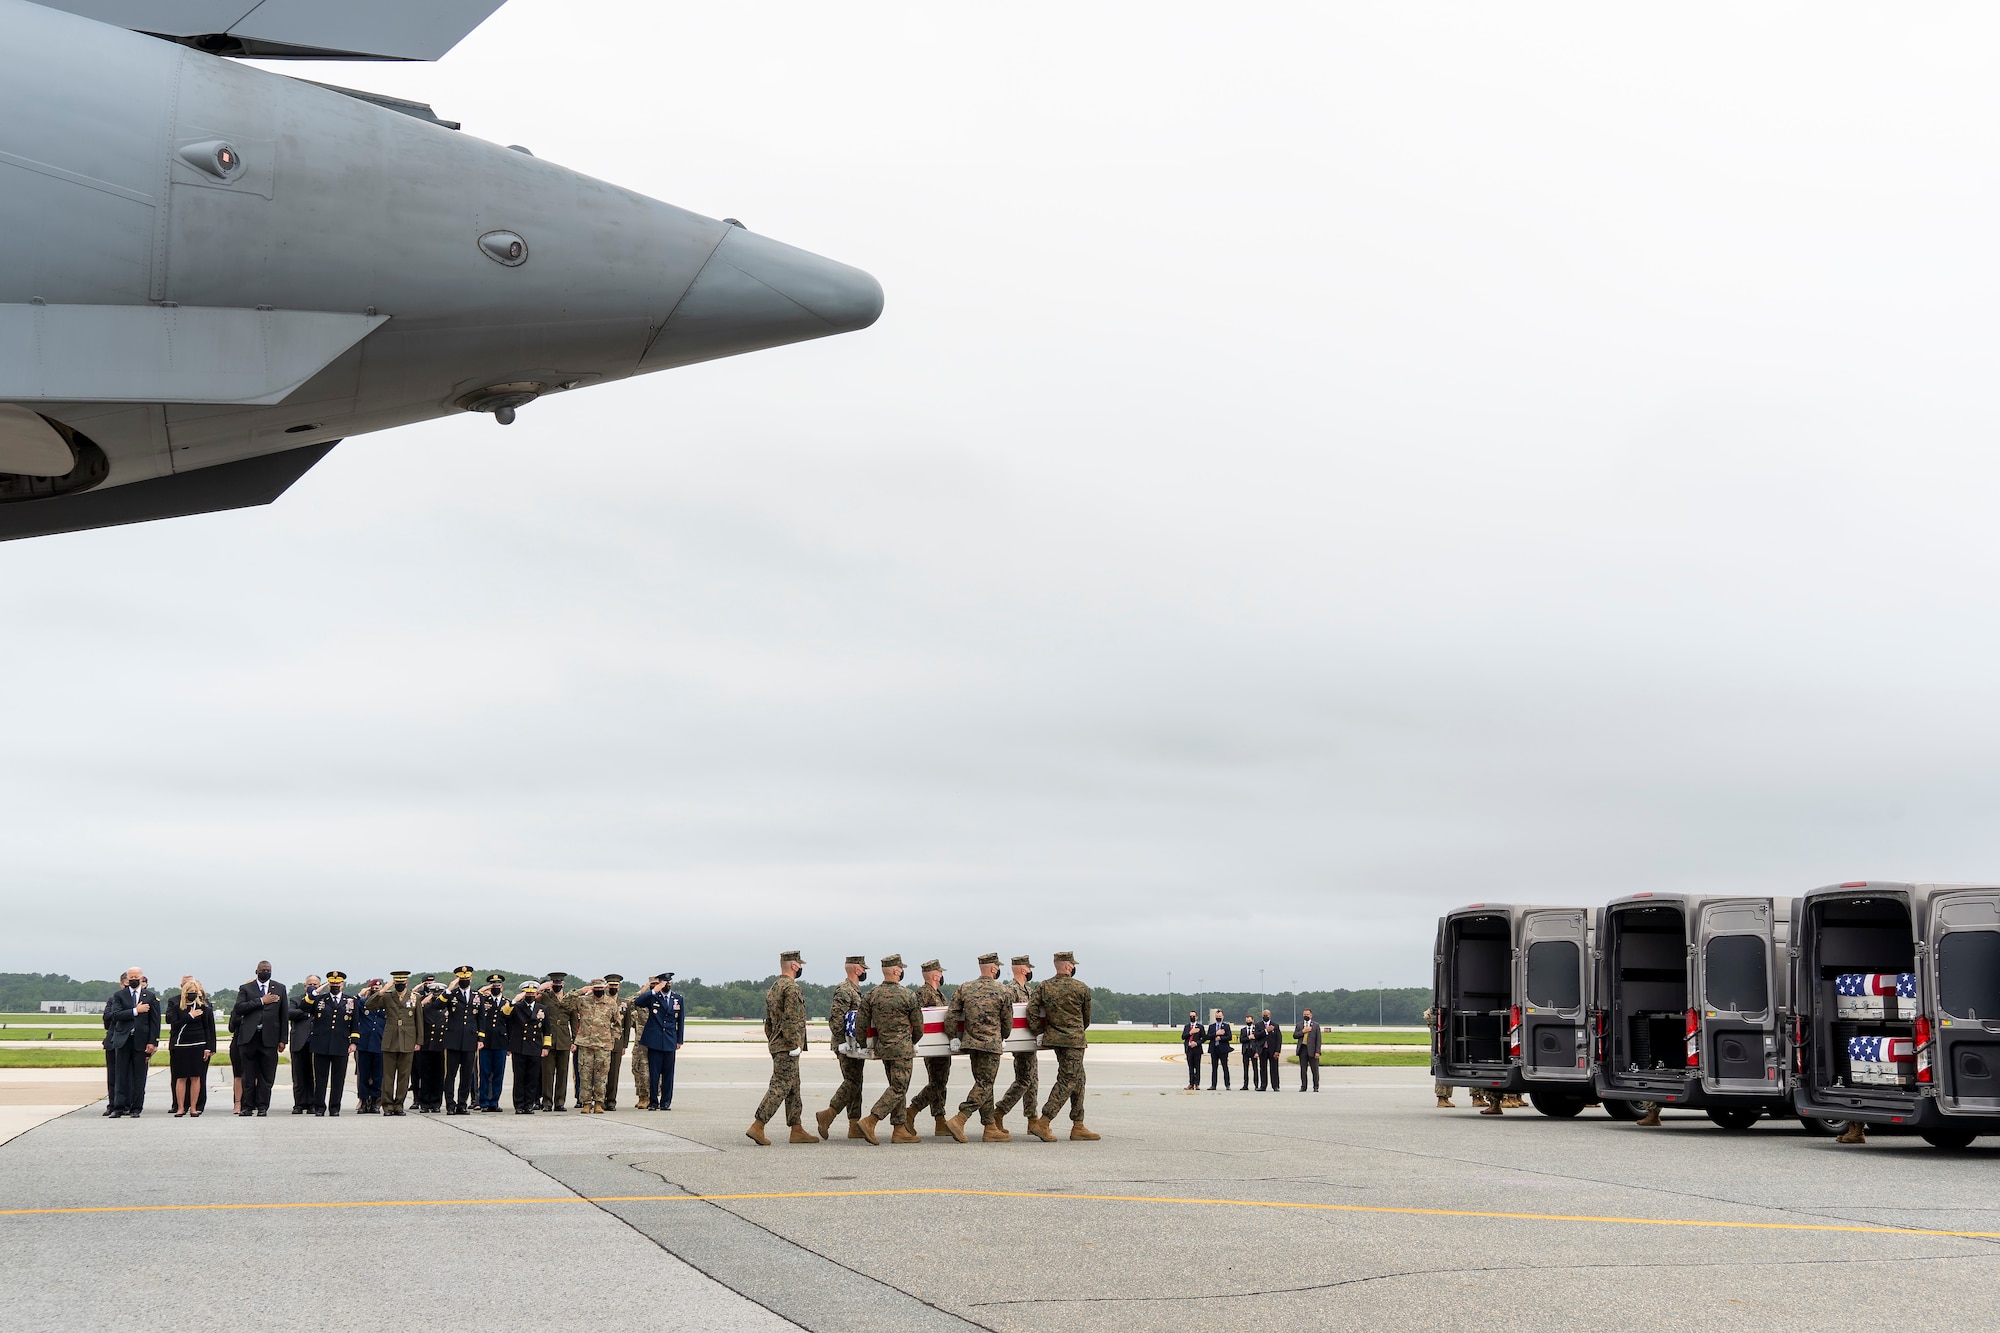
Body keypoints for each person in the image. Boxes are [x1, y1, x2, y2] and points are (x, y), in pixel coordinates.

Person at [1027, 949, 1096, 1141]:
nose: (1073, 967)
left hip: (1054, 1038)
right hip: (1074, 1040)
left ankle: (1078, 1124)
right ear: (1067, 966)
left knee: (1078, 1077)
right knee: (1067, 1080)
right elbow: (1086, 1018)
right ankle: (1044, 1122)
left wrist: (1038, 1030)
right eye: (1072, 964)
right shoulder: (1081, 988)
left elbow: (1031, 1008)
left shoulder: (1043, 987)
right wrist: (1076, 1030)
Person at [747, 950, 814, 1145]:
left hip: (778, 1043)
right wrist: (793, 1044)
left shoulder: (774, 987)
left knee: (794, 1086)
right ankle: (758, 1125)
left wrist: (773, 1040)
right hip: (787, 1046)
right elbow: (791, 1019)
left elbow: (768, 1022)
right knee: (781, 1086)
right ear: (794, 965)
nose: (800, 968)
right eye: (799, 964)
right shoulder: (791, 988)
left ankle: (796, 1127)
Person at [943, 952, 1011, 1143]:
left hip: (971, 1043)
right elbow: (1007, 1021)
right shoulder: (1002, 990)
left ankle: (990, 1127)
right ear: (993, 968)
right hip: (991, 1044)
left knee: (982, 1083)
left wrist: (952, 1037)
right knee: (985, 1084)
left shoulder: (965, 987)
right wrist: (1003, 1036)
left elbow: (951, 1015)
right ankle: (960, 1118)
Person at [857, 954, 924, 1144]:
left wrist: (862, 1044)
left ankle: (899, 1128)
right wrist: (913, 1041)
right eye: (901, 969)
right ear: (896, 971)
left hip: (884, 1048)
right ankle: (871, 1120)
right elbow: (918, 1025)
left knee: (896, 1087)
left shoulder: (871, 995)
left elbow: (861, 1024)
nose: (902, 971)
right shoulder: (908, 995)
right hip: (902, 1048)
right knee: (899, 1087)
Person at [815, 956, 870, 1141]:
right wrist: (842, 1042)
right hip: (846, 1045)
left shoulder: (855, 990)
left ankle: (854, 1126)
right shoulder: (845, 990)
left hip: (853, 1045)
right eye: (863, 968)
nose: (864, 972)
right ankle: (828, 1114)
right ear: (856, 969)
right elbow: (836, 1017)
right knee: (852, 1082)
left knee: (856, 1083)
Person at [232, 961, 286, 1117]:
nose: (266, 972)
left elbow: (283, 1016)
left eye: (268, 970)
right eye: (263, 970)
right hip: (249, 1038)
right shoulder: (246, 988)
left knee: (266, 1075)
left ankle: (263, 1106)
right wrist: (262, 1001)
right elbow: (239, 1008)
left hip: (269, 1039)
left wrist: (283, 1039)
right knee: (248, 1075)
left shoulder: (280, 988)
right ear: (256, 971)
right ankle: (247, 1106)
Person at [103, 968, 159, 1118]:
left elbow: (155, 1022)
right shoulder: (119, 995)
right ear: (127, 979)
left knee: (139, 1076)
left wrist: (153, 1041)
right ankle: (118, 1107)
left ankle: (136, 1108)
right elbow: (115, 1015)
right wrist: (136, 1010)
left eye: (137, 976)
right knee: (120, 1075)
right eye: (131, 977)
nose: (134, 979)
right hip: (123, 1040)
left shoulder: (150, 996)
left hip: (141, 1041)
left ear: (141, 978)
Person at [906, 959, 953, 1138]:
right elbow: (918, 1018)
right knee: (937, 1083)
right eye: (940, 973)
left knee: (941, 1082)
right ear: (934, 975)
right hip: (932, 1045)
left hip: (941, 1045)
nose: (941, 976)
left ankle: (940, 1120)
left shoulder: (938, 994)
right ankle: (912, 1110)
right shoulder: (923, 994)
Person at [992, 955, 1040, 1133]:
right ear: (1022, 969)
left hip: (1029, 1041)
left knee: (1032, 1080)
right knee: (1024, 1080)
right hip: (1019, 1042)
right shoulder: (1010, 990)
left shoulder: (1028, 989)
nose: (1030, 971)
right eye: (1028, 968)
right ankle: (1000, 1111)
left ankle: (1032, 1118)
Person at [305, 971, 362, 1116]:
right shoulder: (320, 999)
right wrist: (314, 993)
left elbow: (355, 1024)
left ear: (342, 984)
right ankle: (319, 1107)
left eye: (338, 983)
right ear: (328, 984)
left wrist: (354, 1042)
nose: (335, 985)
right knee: (321, 1078)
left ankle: (335, 1107)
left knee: (338, 1079)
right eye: (332, 983)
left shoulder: (350, 1001)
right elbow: (304, 1007)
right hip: (321, 1043)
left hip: (341, 1043)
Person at [364, 970, 420, 1115]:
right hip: (390, 1040)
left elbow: (418, 1020)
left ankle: (399, 1105)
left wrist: (419, 1041)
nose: (400, 985)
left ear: (407, 982)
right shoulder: (388, 997)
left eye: (402, 983)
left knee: (404, 1076)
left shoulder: (415, 997)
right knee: (388, 1076)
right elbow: (369, 1005)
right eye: (397, 983)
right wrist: (382, 990)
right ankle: (387, 1105)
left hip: (408, 1040)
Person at [431, 966, 481, 1115]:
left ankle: (462, 1104)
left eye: (466, 979)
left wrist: (481, 1038)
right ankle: (450, 1105)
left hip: (470, 1041)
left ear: (470, 979)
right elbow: (436, 1005)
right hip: (453, 1040)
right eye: (461, 979)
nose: (464, 981)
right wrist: (448, 990)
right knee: (451, 1075)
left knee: (466, 1076)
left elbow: (481, 1019)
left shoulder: (476, 996)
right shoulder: (451, 995)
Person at [632, 972, 685, 1111]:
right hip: (654, 1040)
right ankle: (653, 1101)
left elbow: (681, 1021)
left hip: (669, 1040)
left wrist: (679, 1040)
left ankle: (666, 1102)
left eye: (668, 982)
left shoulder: (677, 999)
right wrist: (653, 990)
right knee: (654, 1074)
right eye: (663, 983)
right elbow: (637, 1002)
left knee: (668, 1074)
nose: (666, 985)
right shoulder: (653, 997)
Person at [165, 977, 215, 1117]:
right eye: (190, 991)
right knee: (181, 1078)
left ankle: (194, 1107)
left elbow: (208, 1028)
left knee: (195, 1077)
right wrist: (190, 1016)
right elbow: (174, 1025)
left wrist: (208, 1047)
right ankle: (181, 1107)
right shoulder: (177, 1007)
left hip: (198, 1045)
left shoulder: (203, 1008)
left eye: (195, 991)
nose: (193, 993)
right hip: (181, 1045)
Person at [570, 977, 620, 1113]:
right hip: (585, 1044)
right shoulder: (582, 1001)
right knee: (584, 1075)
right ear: (592, 989)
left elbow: (617, 1024)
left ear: (604, 988)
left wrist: (612, 1039)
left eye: (600, 988)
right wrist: (580, 991)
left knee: (601, 1076)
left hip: (603, 1046)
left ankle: (598, 1102)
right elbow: (565, 1003)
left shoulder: (610, 1003)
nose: (598, 990)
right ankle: (586, 1103)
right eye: (595, 988)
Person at [503, 982, 548, 1113]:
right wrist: (513, 1001)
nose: (530, 995)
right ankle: (519, 1105)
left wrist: (546, 1047)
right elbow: (504, 1015)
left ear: (536, 994)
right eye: (527, 993)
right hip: (519, 1047)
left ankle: (529, 1104)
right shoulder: (516, 1007)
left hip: (535, 1047)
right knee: (519, 1077)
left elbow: (547, 1030)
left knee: (532, 1077)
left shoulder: (542, 1009)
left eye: (532, 993)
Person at [413, 976, 450, 1112]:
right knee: (426, 1076)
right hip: (427, 1045)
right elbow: (414, 1014)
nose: (436, 996)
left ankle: (436, 1103)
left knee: (438, 1077)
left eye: (438, 993)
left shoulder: (447, 1008)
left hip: (440, 1047)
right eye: (434, 993)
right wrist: (423, 1002)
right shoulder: (425, 1008)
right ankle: (424, 1103)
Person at [540, 972, 575, 1111]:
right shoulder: (544, 997)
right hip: (548, 1041)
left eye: (559, 983)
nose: (557, 985)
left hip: (564, 1040)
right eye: (554, 983)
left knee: (563, 1073)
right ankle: (547, 1102)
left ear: (563, 984)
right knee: (547, 1074)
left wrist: (574, 1040)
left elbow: (574, 1021)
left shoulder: (568, 999)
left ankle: (560, 1102)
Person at [474, 973, 509, 1112]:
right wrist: (486, 989)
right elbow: (476, 995)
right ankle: (483, 1102)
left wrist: (509, 1045)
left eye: (498, 985)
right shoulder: (484, 1000)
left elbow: (510, 1024)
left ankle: (494, 1101)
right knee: (484, 1073)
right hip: (486, 1043)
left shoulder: (506, 1002)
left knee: (498, 1074)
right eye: (493, 985)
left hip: (501, 1042)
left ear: (502, 987)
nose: (496, 987)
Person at [286, 974, 320, 1114]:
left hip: (317, 1042)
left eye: (315, 984)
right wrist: (306, 1013)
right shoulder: (295, 999)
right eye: (309, 984)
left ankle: (313, 1103)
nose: (312, 986)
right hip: (299, 1042)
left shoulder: (322, 1000)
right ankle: (299, 1104)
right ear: (305, 986)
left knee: (314, 1075)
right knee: (299, 1075)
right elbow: (289, 1013)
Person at [355, 981, 387, 1113]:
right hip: (365, 1043)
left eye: (377, 988)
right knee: (363, 1074)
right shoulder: (363, 1002)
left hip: (380, 1043)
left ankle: (375, 1101)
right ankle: (363, 1101)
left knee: (378, 1075)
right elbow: (350, 1005)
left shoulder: (385, 1003)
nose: (375, 990)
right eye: (373, 988)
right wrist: (358, 995)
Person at [603, 974, 630, 1111]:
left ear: (619, 986)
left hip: (617, 1043)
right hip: (602, 1041)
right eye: (611, 985)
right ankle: (599, 1099)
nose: (613, 987)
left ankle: (611, 1100)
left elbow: (627, 1025)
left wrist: (625, 1044)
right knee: (601, 1073)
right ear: (607, 986)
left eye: (615, 985)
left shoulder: (625, 1003)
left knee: (613, 1073)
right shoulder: (602, 1001)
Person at [1424, 1007, 1454, 1107]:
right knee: (1441, 1066)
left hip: (1447, 1045)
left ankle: (1446, 1097)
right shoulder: (1436, 1011)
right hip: (1440, 1047)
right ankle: (1441, 1098)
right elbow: (1428, 1015)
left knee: (1448, 1069)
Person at [1206, 1009, 1232, 1090]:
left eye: (1220, 1016)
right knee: (1214, 1068)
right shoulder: (1211, 1026)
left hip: (1223, 1049)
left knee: (1225, 1067)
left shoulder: (1226, 1026)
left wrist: (1221, 1038)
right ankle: (1213, 1085)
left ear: (1223, 1017)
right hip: (1214, 1049)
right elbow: (1208, 1036)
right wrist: (1216, 1034)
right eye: (1217, 1016)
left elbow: (1229, 1037)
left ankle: (1227, 1085)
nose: (1218, 1018)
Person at [1180, 1011, 1204, 1090]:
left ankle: (1197, 1084)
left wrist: (1197, 1043)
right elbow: (1183, 1037)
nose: (1192, 1018)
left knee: (1197, 1067)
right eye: (1190, 1016)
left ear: (1197, 1017)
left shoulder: (1200, 1027)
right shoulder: (1187, 1027)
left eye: (1193, 1016)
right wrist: (1190, 1032)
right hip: (1189, 1049)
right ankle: (1191, 1083)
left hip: (1197, 1049)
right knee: (1190, 1067)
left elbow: (1204, 1038)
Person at [1260, 1009, 1282, 1092]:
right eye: (1264, 1015)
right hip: (1263, 1049)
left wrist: (1277, 1051)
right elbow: (1257, 1035)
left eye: (1267, 1015)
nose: (1265, 1016)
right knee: (1263, 1068)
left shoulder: (1275, 1025)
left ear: (1270, 1016)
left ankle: (1275, 1086)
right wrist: (1266, 1031)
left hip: (1272, 1051)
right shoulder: (1259, 1025)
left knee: (1274, 1068)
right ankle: (1263, 1085)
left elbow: (1279, 1039)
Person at [1240, 1014, 1258, 1090]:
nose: (1248, 1021)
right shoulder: (1243, 1030)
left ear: (1252, 1020)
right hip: (1246, 1051)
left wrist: (1257, 1052)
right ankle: (1245, 1085)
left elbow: (1258, 1041)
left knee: (1255, 1068)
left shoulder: (1256, 1029)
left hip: (1253, 1051)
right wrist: (1248, 1037)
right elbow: (1241, 1040)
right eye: (1247, 1020)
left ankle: (1256, 1085)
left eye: (1249, 1020)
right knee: (1245, 1068)